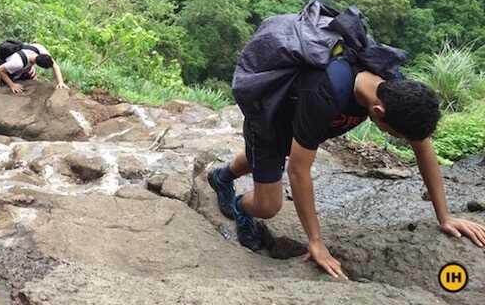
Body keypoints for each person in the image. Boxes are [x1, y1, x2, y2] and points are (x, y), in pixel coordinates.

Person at [208, 56, 485, 279]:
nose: (400, 139)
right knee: (268, 205)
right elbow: (298, 171)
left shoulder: (393, 88)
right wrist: (315, 241)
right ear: (377, 113)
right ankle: (241, 208)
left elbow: (423, 148)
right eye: (396, 135)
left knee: (273, 154)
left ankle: (222, 176)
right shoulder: (326, 92)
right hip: (271, 116)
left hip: (303, 116)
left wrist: (445, 217)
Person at [0, 42, 68, 94]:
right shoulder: (18, 63)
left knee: (30, 75)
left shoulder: (40, 49)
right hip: (6, 66)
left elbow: (55, 65)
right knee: (9, 84)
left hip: (23, 62)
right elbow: (0, 70)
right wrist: (12, 85)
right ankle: (3, 84)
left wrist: (60, 82)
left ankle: (24, 74)